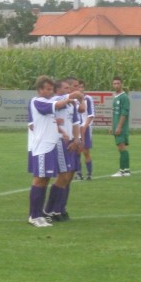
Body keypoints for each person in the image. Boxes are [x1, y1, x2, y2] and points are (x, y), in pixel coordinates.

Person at [27, 76, 81, 227]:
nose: (50, 92)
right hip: (43, 147)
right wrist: (71, 97)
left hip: (51, 146)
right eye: (48, 89)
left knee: (45, 179)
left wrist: (62, 132)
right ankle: (34, 215)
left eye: (52, 89)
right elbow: (59, 103)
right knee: (40, 179)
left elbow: (51, 119)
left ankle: (40, 213)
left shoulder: (49, 101)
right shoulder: (37, 101)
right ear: (40, 90)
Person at [44, 77, 83, 221]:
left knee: (68, 176)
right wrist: (75, 95)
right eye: (67, 88)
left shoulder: (71, 104)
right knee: (63, 175)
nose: (70, 90)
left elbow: (76, 122)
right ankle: (50, 210)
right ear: (58, 90)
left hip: (71, 142)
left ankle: (59, 209)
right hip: (59, 141)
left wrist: (77, 139)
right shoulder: (56, 101)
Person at [111, 76, 131, 177]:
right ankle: (126, 171)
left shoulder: (124, 97)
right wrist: (112, 126)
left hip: (121, 128)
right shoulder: (116, 97)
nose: (116, 85)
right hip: (116, 127)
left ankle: (123, 171)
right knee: (120, 148)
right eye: (114, 83)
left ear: (122, 84)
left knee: (122, 147)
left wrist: (119, 127)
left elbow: (124, 113)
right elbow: (115, 113)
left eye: (118, 83)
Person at [76, 79, 95, 180]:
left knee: (86, 151)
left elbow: (91, 115)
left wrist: (85, 126)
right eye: (78, 87)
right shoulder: (73, 100)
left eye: (82, 87)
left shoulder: (88, 99)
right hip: (76, 128)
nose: (80, 89)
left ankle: (89, 174)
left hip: (85, 128)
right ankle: (78, 173)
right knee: (77, 151)